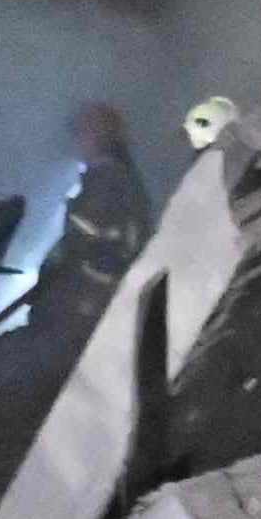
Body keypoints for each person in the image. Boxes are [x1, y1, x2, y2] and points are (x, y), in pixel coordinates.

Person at [21, 101, 158, 342]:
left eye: (80, 132)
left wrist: (51, 284)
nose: (76, 140)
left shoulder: (106, 183)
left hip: (78, 314)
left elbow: (82, 245)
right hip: (91, 310)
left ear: (95, 136)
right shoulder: (124, 182)